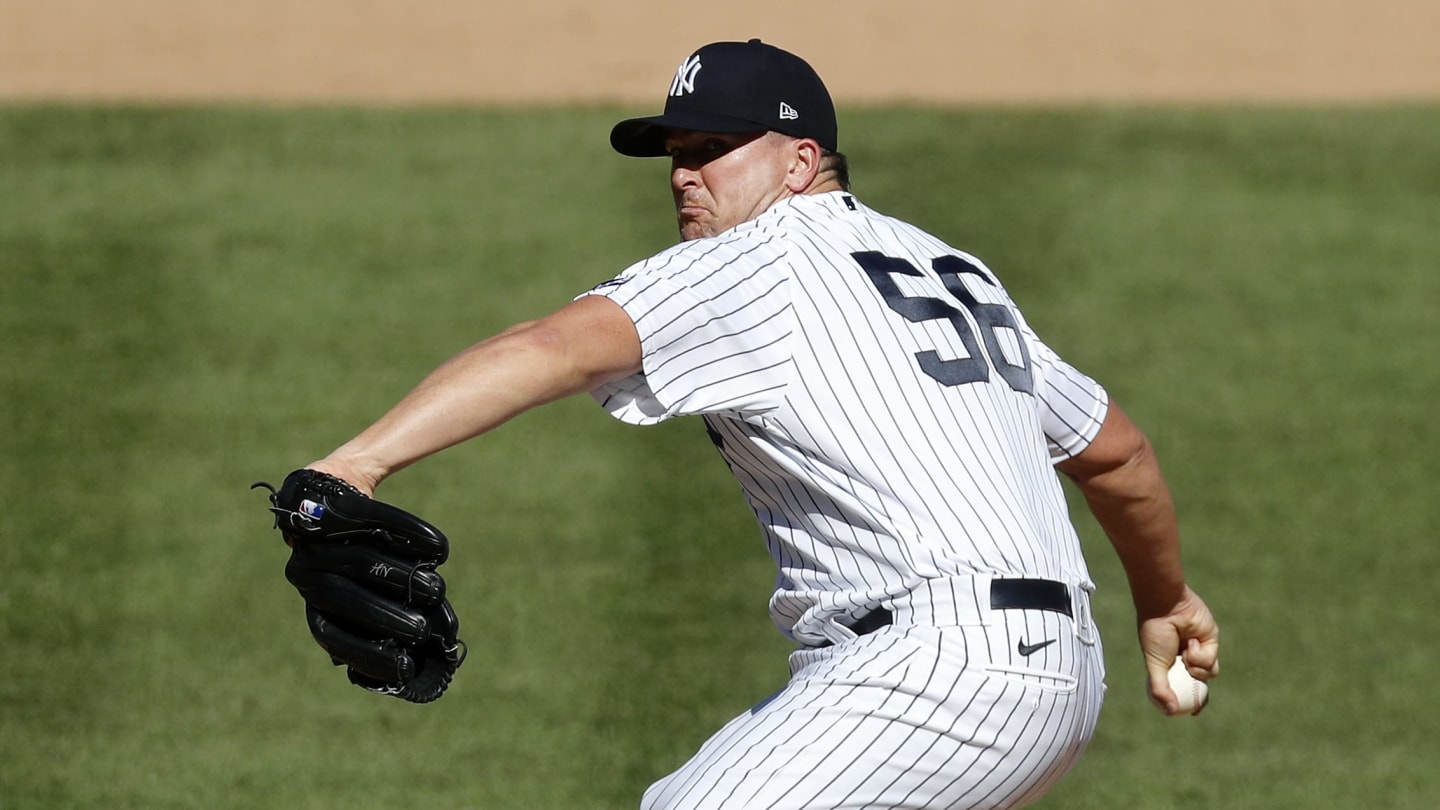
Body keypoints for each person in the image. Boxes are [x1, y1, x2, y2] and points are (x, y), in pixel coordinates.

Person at [305, 39, 1220, 810]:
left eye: (715, 148)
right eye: (675, 152)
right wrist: (1166, 601)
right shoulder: (948, 266)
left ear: (799, 161)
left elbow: (554, 346)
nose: (684, 176)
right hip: (1057, 678)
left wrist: (359, 464)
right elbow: (1117, 454)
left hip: (939, 673)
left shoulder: (759, 260)